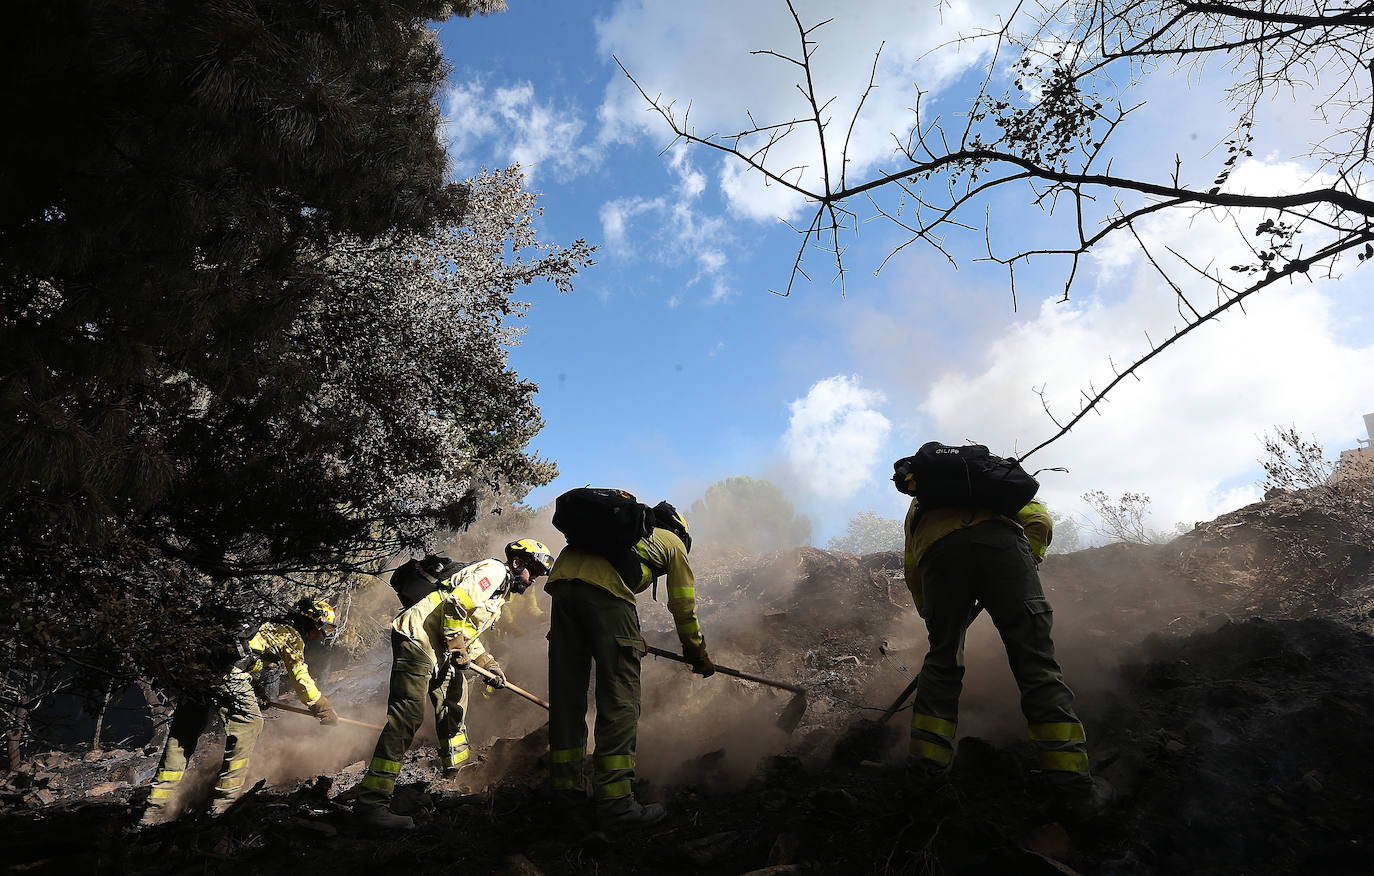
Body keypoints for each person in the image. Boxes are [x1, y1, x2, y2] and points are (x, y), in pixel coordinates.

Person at [894, 468, 1112, 819]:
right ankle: (1073, 786)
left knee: (942, 662)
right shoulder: (995, 483)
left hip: (940, 557)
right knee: (1037, 665)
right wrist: (1027, 561)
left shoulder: (922, 501)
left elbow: (912, 568)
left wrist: (939, 623)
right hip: (1004, 547)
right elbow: (1039, 521)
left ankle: (924, 777)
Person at [354, 538, 555, 829]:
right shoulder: (495, 571)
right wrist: (457, 646)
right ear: (517, 562)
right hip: (419, 639)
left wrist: (488, 663)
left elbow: (467, 631)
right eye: (533, 570)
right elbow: (456, 604)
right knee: (406, 718)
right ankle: (371, 803)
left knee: (454, 703)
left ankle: (457, 773)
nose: (534, 578)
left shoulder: (500, 594)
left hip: (440, 647)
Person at [545, 501, 713, 829]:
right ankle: (616, 803)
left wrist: (627, 637)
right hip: (606, 592)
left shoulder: (612, 532)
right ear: (680, 530)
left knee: (567, 697)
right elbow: (683, 604)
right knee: (620, 699)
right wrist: (697, 652)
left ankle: (566, 795)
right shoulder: (673, 542)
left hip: (563, 587)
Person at [140, 598, 340, 824]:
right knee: (250, 722)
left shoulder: (266, 623)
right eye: (320, 631)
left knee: (183, 734)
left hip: (197, 670)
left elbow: (245, 659)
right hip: (224, 674)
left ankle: (154, 808)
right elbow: (300, 678)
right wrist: (322, 708)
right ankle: (223, 801)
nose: (318, 637)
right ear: (311, 623)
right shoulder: (290, 635)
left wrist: (256, 690)